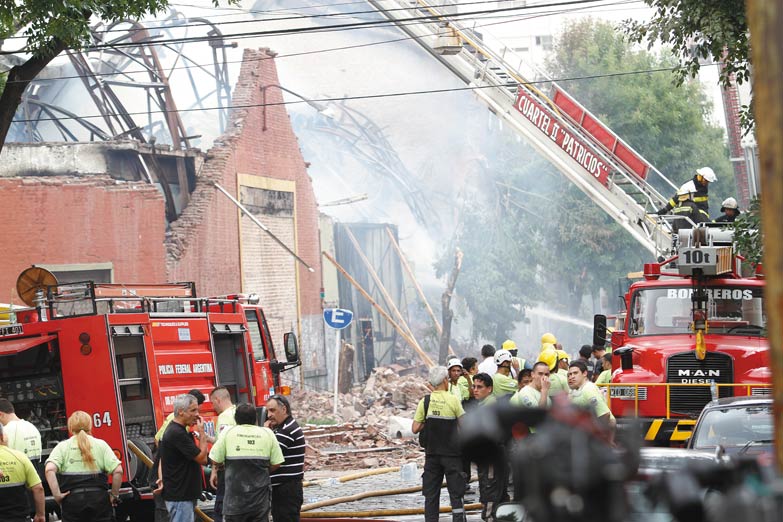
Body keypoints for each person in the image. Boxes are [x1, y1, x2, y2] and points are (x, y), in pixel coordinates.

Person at [209, 403, 284, 522]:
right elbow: (277, 463)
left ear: (236, 419)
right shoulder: (267, 434)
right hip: (259, 504)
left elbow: (214, 459)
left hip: (234, 504)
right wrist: (262, 469)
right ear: (255, 418)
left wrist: (222, 466)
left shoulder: (228, 432)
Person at [45, 411, 123, 522]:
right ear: (90, 426)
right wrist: (114, 495)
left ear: (70, 427)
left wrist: (57, 495)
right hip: (99, 500)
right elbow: (118, 471)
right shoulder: (101, 445)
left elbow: (49, 470)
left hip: (72, 501)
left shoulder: (62, 447)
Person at [412, 366, 466, 522]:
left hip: (432, 456)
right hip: (452, 456)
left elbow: (415, 428)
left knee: (431, 494)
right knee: (456, 494)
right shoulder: (453, 400)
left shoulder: (425, 401)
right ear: (445, 381)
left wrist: (428, 420)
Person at [159, 393, 209, 522]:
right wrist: (202, 433)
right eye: (193, 410)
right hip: (180, 497)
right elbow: (202, 459)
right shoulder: (176, 433)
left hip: (183, 495)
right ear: (181, 412)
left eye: (197, 409)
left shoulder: (181, 430)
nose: (197, 414)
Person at [469, 373, 507, 522]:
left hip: (491, 459)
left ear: (489, 389)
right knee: (499, 494)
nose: (475, 390)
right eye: (474, 386)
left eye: (480, 387)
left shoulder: (489, 407)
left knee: (490, 493)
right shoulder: (485, 405)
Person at [266, 394, 305, 522]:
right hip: (284, 489)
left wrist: (265, 433)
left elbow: (269, 455)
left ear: (284, 410)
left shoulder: (287, 430)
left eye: (272, 410)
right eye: (267, 411)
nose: (268, 415)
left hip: (287, 490)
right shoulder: (282, 428)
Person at [0, 422, 46, 522]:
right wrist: (40, 514)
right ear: (2, 437)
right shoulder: (20, 457)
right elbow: (38, 488)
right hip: (20, 518)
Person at [567, 361, 616, 437]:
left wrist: (599, 437)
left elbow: (605, 415)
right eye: (569, 375)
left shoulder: (588, 389)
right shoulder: (576, 390)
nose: (571, 377)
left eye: (575, 373)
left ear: (584, 373)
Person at [209, 387, 237, 522]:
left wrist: (214, 470)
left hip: (227, 470)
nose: (213, 406)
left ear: (217, 400)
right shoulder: (238, 412)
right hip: (241, 469)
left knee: (221, 509)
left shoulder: (224, 417)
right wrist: (208, 439)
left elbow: (222, 447)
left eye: (212, 403)